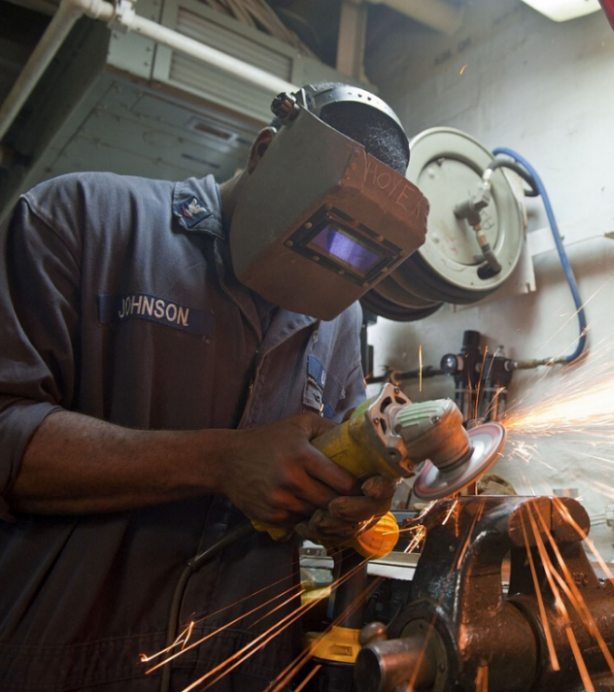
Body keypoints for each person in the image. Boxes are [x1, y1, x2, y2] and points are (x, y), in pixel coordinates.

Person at [0, 82, 426, 691]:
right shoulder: (82, 220)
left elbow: (326, 494)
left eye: (351, 255)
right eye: (319, 232)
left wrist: (345, 508)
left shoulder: (338, 316)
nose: (325, 270)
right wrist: (220, 462)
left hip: (244, 673)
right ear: (264, 153)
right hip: (62, 661)